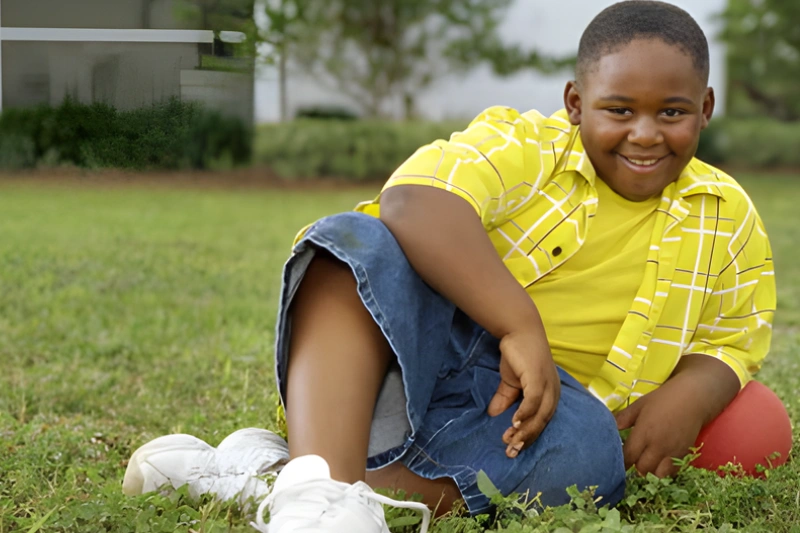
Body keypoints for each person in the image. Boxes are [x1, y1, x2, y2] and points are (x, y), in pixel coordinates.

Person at [123, 2, 788, 532]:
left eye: (671, 113)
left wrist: (693, 391)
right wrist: (517, 323)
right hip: (408, 360)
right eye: (619, 110)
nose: (645, 133)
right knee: (353, 241)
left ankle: (291, 484)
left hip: (524, 414)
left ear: (704, 109)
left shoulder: (726, 215)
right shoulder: (525, 144)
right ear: (576, 103)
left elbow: (733, 332)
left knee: (592, 458)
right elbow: (412, 202)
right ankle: (323, 472)